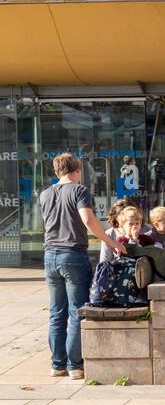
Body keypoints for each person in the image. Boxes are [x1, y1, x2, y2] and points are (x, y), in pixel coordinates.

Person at [40, 152, 120, 379]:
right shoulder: (79, 190)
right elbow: (87, 219)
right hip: (73, 254)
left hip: (50, 256)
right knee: (77, 311)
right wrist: (110, 241)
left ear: (56, 171)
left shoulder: (45, 194)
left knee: (56, 313)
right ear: (77, 170)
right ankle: (75, 365)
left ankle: (57, 365)